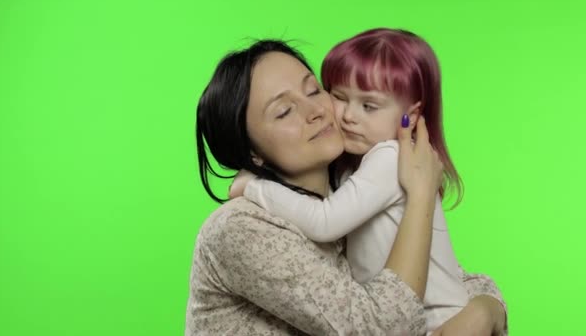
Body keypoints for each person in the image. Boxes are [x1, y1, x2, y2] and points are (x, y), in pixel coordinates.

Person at [186, 39, 507, 335]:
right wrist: (421, 195)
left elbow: (446, 273)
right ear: (250, 151)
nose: (315, 111)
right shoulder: (241, 228)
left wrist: (487, 308)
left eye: (314, 91)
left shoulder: (348, 190)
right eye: (284, 111)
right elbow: (377, 328)